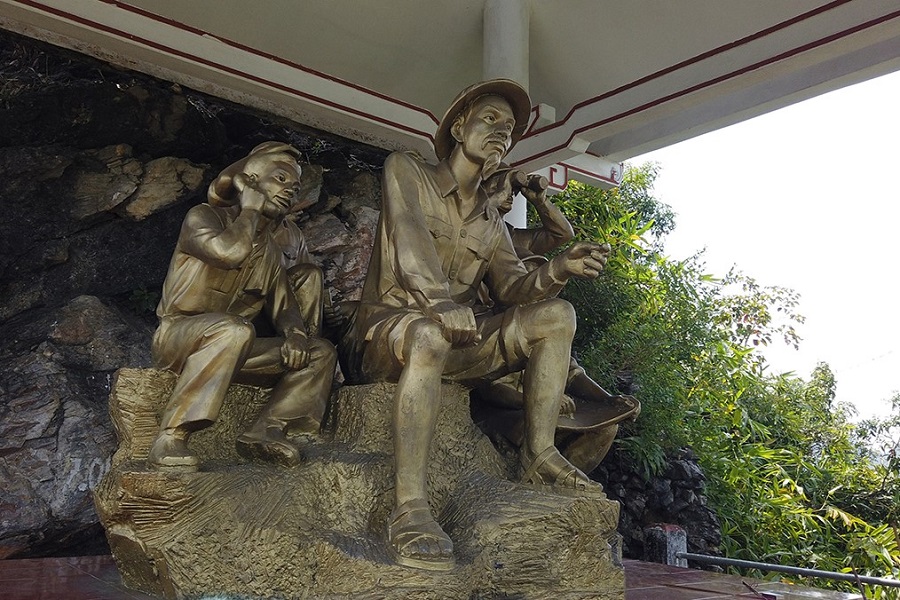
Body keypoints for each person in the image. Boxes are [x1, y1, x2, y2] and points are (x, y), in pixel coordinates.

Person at [348, 79, 612, 571]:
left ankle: (539, 452)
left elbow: (512, 287)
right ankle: (410, 508)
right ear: (459, 124)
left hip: (462, 339)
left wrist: (559, 268)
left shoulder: (492, 221)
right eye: (490, 119)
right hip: (390, 333)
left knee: (557, 315)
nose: (501, 133)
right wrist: (439, 301)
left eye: (509, 129)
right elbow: (408, 233)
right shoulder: (407, 169)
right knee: (428, 334)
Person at [148, 142, 337, 472]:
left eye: (293, 188)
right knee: (233, 329)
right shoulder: (203, 217)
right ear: (249, 180)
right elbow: (228, 253)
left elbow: (285, 306)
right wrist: (249, 209)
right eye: (279, 179)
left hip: (235, 345)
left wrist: (294, 334)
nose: (289, 192)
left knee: (319, 351)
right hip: (178, 337)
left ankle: (268, 429)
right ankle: (171, 434)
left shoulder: (270, 251)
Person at [475, 167, 640, 475]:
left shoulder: (510, 238)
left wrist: (539, 202)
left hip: (525, 337)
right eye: (502, 190)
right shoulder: (468, 233)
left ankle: (557, 489)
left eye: (513, 193)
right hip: (490, 358)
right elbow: (491, 385)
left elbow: (562, 234)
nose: (509, 199)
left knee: (604, 425)